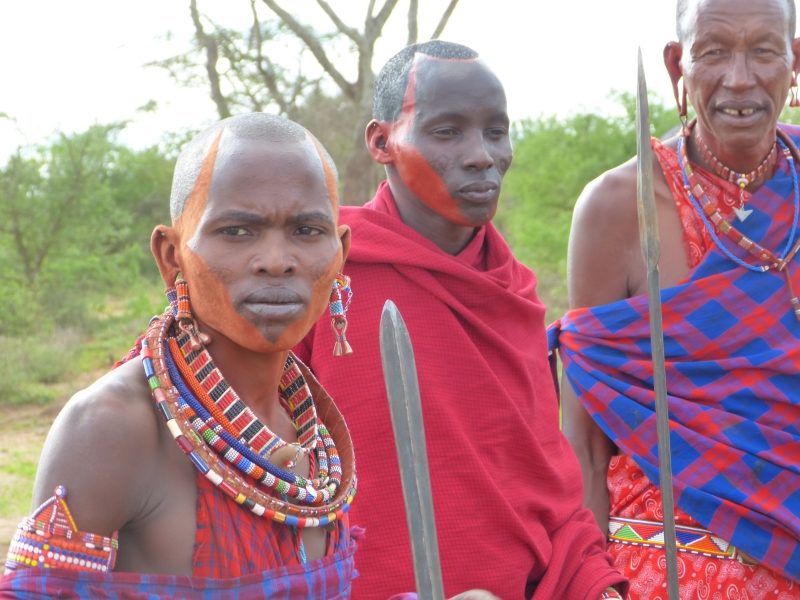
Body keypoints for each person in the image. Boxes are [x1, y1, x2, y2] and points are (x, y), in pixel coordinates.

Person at [295, 40, 628, 600]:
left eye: (496, 131)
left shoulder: (513, 294)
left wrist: (596, 587)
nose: (481, 155)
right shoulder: (320, 273)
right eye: (447, 132)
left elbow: (549, 495)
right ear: (382, 142)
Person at [0, 113, 361, 598]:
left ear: (341, 253)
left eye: (308, 230)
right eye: (237, 231)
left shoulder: (311, 428)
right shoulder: (111, 427)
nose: (276, 261)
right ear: (172, 257)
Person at [555, 0, 800, 596]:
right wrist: (591, 584)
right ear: (676, 66)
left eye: (764, 50)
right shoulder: (619, 207)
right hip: (665, 563)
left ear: (795, 63)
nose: (739, 78)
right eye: (713, 51)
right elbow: (585, 442)